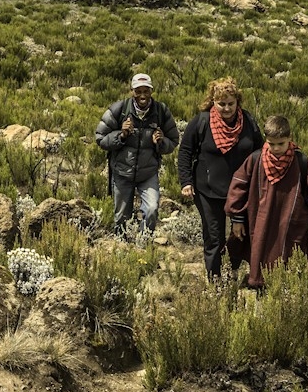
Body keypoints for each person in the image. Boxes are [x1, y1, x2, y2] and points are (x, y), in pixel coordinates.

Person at [225, 115, 308, 289]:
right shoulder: (255, 160)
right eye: (271, 143)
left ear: (290, 138)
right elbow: (238, 187)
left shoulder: (301, 162)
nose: (276, 148)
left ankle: (288, 301)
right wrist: (237, 219)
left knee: (292, 263)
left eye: (281, 144)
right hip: (260, 222)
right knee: (261, 255)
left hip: (293, 224)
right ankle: (263, 300)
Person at [177, 77, 264, 281]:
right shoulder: (202, 121)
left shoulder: (248, 122)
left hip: (240, 191)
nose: (226, 108)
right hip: (208, 190)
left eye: (231, 104)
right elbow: (185, 152)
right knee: (214, 237)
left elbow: (260, 152)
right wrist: (186, 181)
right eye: (221, 103)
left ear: (238, 102)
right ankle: (215, 280)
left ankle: (233, 270)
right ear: (212, 102)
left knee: (241, 234)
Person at [95, 73, 179, 238]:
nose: (142, 96)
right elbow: (100, 139)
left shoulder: (161, 111)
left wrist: (161, 142)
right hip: (122, 173)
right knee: (121, 217)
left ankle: (144, 243)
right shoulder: (118, 109)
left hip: (148, 173)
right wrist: (121, 135)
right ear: (132, 91)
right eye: (138, 91)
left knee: (152, 209)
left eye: (146, 91)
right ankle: (122, 248)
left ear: (151, 91)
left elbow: (174, 140)